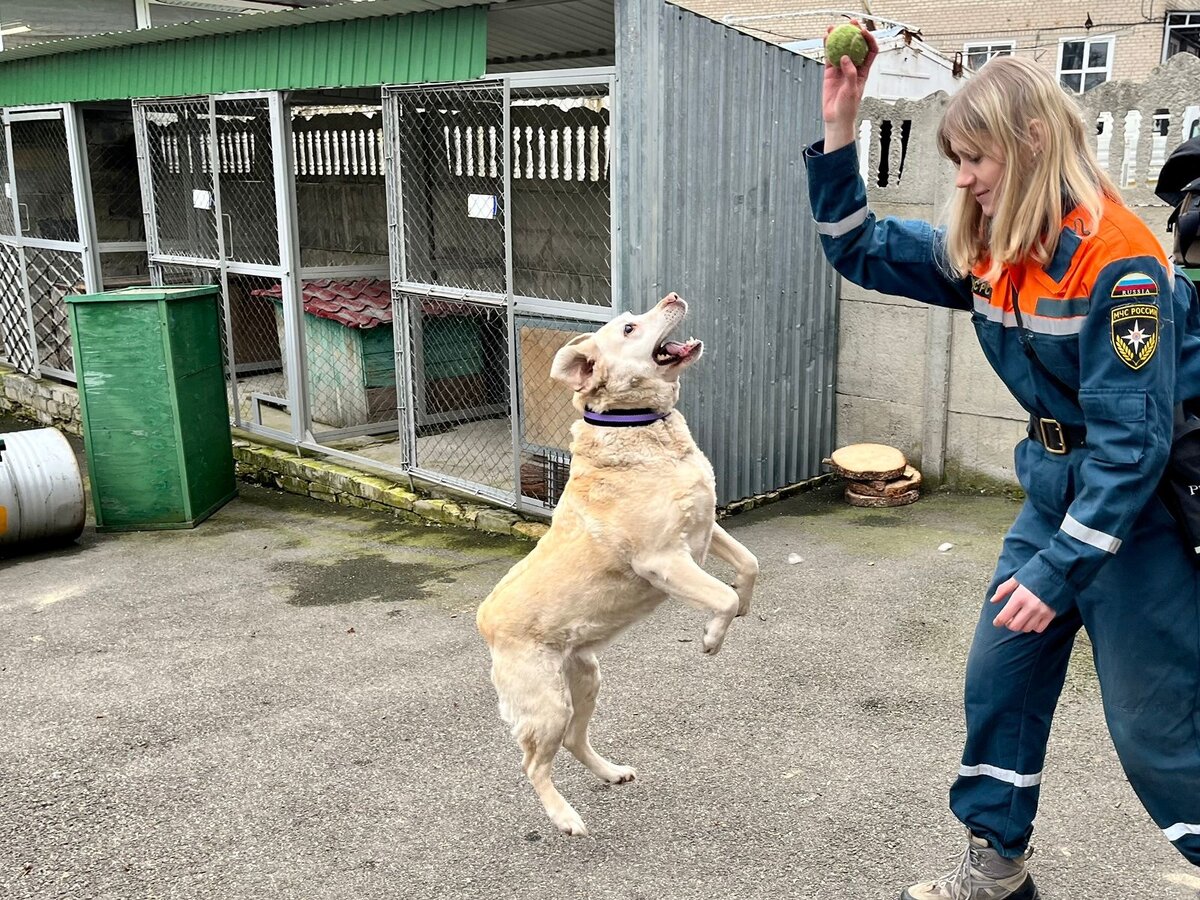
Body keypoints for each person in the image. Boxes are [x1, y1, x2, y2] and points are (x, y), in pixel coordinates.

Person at [807, 24, 1200, 900]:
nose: (962, 178)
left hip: (1132, 515)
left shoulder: (1119, 261)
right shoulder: (992, 248)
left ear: (1029, 143)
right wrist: (841, 125)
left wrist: (1061, 569)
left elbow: (1135, 447)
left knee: (1157, 731)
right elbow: (859, 247)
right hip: (1053, 494)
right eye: (954, 160)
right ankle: (997, 867)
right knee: (1000, 680)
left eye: (973, 158)